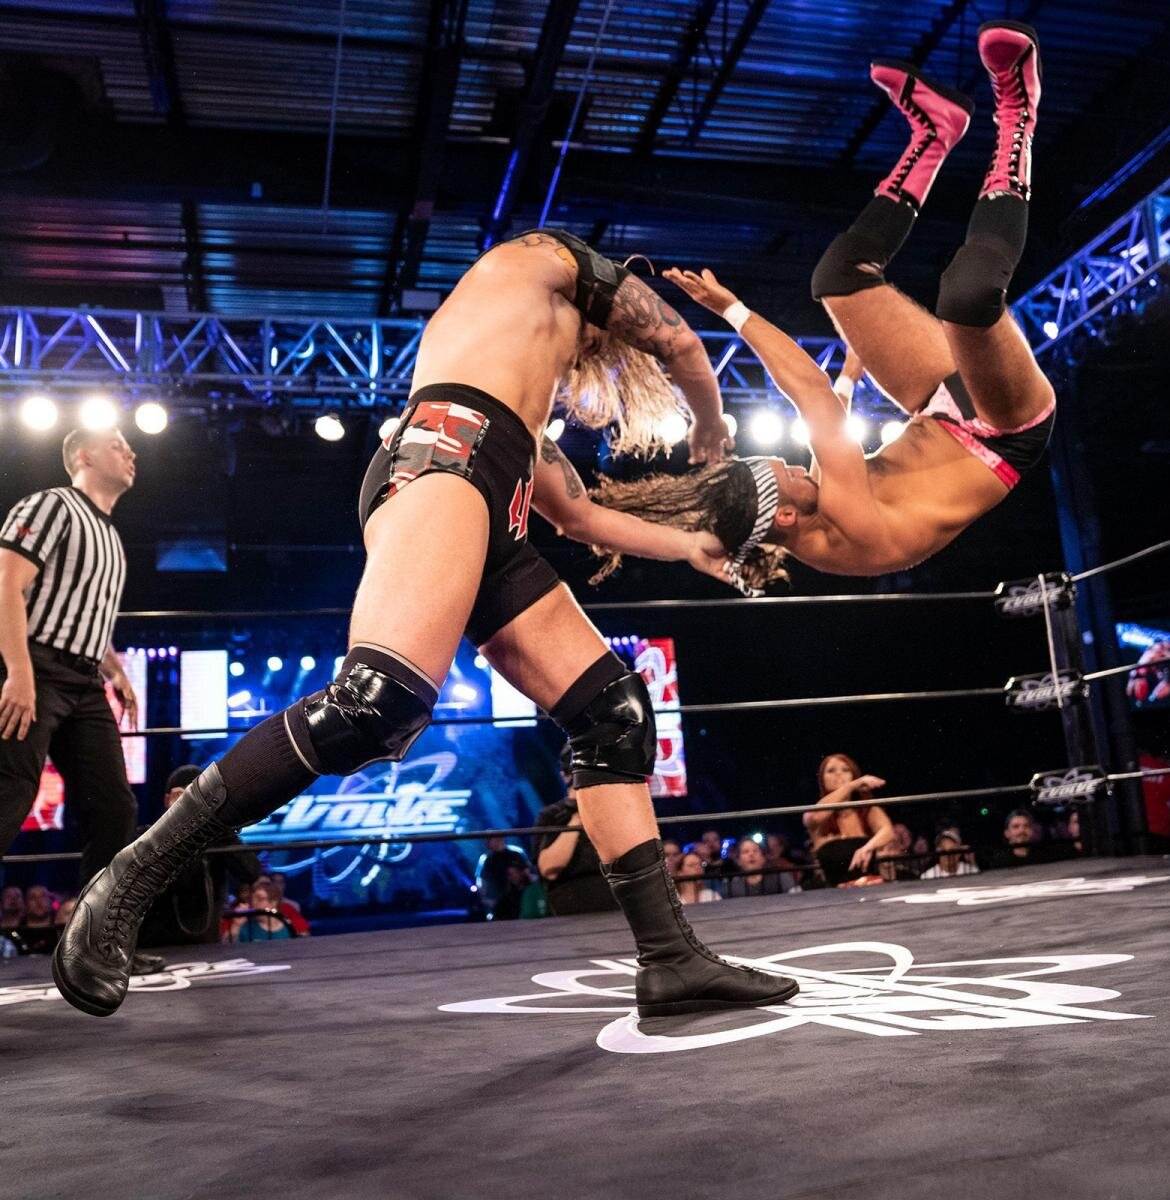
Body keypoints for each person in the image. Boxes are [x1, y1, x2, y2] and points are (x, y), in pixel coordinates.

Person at [55, 228, 798, 1018]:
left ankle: (670, 959)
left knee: (613, 712)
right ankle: (127, 880)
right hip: (445, 453)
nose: (595, 348)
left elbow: (579, 517)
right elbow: (679, 341)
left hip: (493, 493)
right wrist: (709, 427)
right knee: (372, 704)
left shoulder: (525, 403)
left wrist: (690, 547)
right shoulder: (543, 256)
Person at [588, 24, 1055, 597]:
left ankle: (935, 133)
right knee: (966, 296)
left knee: (838, 279)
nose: (796, 466)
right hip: (1004, 434)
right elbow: (811, 396)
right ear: (785, 516)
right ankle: (1017, 110)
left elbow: (832, 422)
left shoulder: (807, 512)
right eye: (787, 473)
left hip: (936, 411)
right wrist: (734, 310)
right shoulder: (850, 531)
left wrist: (855, 372)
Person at [0, 429, 146, 888]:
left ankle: (93, 929)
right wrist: (18, 671)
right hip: (37, 667)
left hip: (85, 684)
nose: (131, 452)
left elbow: (88, 618)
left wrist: (116, 671)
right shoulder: (52, 506)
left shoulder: (112, 538)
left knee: (114, 809)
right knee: (10, 793)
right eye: (117, 445)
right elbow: (6, 582)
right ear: (84, 456)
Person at [139, 764, 262, 947]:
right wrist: (172, 824)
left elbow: (251, 872)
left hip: (206, 945)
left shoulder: (216, 837)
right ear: (167, 800)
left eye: (195, 797)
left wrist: (216, 821)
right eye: (183, 797)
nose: (188, 805)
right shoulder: (147, 837)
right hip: (157, 944)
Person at [535, 748, 619, 916]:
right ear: (565, 776)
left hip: (615, 904)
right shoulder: (551, 816)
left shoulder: (613, 810)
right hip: (571, 908)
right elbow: (549, 869)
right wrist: (578, 817)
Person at [803, 754, 895, 886]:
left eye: (845, 770)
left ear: (853, 775)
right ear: (822, 779)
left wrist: (868, 847)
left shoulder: (867, 810)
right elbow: (816, 817)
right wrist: (851, 786)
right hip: (836, 893)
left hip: (870, 889)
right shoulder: (814, 815)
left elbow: (888, 831)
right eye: (831, 770)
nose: (839, 774)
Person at [226, 876, 299, 943]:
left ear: (274, 902)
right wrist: (236, 925)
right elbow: (227, 947)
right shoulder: (246, 927)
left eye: (260, 899)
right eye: (252, 900)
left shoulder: (287, 926)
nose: (254, 903)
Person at [985, 808, 1056, 869]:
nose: (1022, 830)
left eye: (1026, 826)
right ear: (1007, 833)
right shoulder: (999, 862)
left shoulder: (1044, 857)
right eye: (1016, 826)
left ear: (1032, 831)